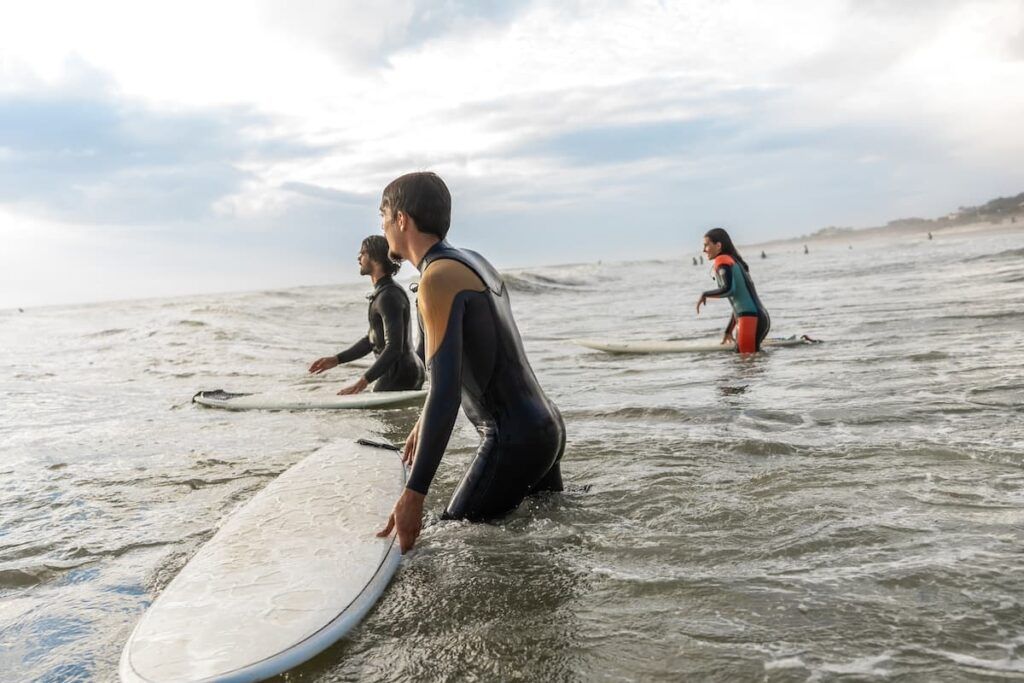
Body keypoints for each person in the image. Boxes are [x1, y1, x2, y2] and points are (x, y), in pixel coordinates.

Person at [374, 172, 565, 553]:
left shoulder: (436, 279)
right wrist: (421, 421)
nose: (381, 226)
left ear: (401, 220)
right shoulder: (473, 261)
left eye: (383, 215)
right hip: (546, 428)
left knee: (451, 542)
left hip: (511, 438)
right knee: (552, 536)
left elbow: (446, 393)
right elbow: (486, 355)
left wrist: (414, 494)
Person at [308, 235, 424, 394]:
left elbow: (394, 347)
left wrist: (362, 382)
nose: (358, 258)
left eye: (363, 253)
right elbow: (372, 340)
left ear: (375, 258)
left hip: (399, 374)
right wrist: (337, 359)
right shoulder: (384, 293)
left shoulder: (388, 296)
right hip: (403, 371)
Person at [696, 227, 771, 354]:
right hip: (756, 317)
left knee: (746, 364)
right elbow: (738, 301)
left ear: (718, 245)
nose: (703, 250)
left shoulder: (722, 260)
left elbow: (729, 290)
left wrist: (705, 294)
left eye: (706, 245)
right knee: (751, 362)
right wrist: (728, 331)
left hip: (749, 320)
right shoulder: (733, 260)